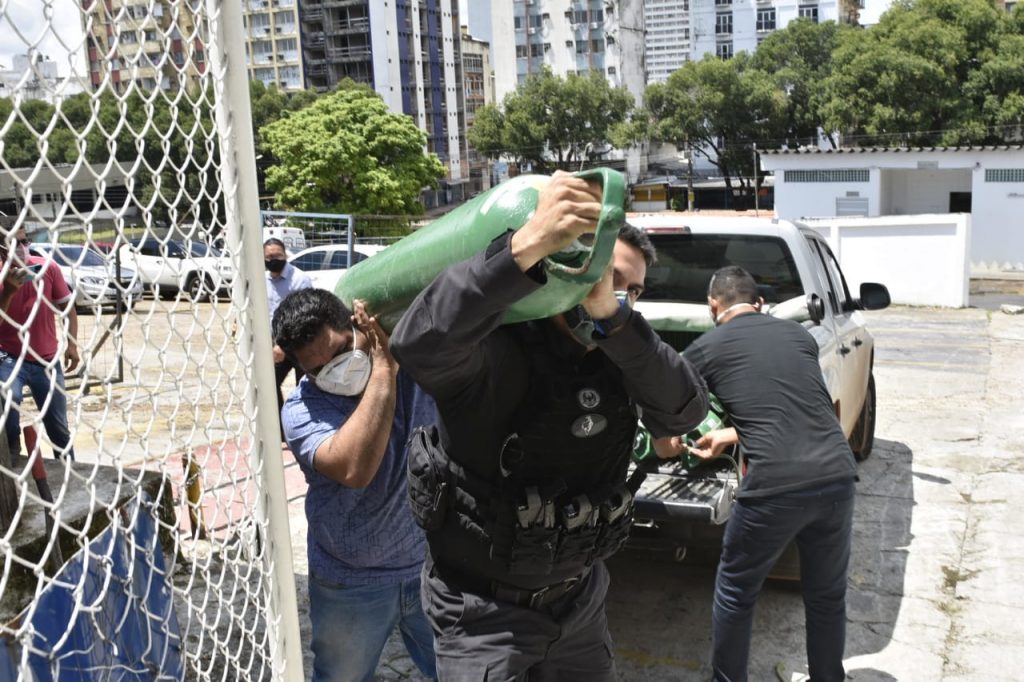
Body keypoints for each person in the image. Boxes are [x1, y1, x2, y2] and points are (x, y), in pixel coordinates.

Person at [390, 171, 709, 680]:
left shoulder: (622, 352)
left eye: (635, 290)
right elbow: (418, 345)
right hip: (483, 617)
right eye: (611, 277)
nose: (621, 296)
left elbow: (685, 409)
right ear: (569, 266)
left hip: (579, 605)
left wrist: (612, 317)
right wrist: (525, 247)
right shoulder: (497, 349)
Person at [659, 265, 857, 682]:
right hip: (836, 476)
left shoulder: (706, 347)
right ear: (761, 303)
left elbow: (665, 402)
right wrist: (729, 437)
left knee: (736, 592)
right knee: (826, 595)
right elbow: (793, 407)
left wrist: (669, 441)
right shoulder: (799, 337)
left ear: (713, 306)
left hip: (774, 487)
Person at [272, 288, 437, 682]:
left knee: (460, 671)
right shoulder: (303, 410)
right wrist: (383, 369)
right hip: (351, 582)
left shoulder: (413, 368)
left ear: (357, 324)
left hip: (429, 566)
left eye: (343, 350)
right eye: (318, 368)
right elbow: (354, 468)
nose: (338, 369)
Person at [0, 225, 79, 466]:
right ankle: (15, 462)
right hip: (9, 356)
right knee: (9, 409)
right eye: (16, 244)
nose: (23, 249)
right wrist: (9, 292)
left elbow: (68, 308)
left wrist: (72, 344)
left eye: (26, 242)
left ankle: (68, 469)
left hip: (46, 358)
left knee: (58, 427)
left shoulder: (47, 267)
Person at [264, 237, 312, 438]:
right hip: (275, 343)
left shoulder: (299, 279)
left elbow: (303, 316)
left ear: (286, 255)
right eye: (269, 256)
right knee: (269, 384)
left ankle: (306, 429)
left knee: (306, 387)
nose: (273, 259)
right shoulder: (261, 280)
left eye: (278, 256)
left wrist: (283, 344)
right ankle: (281, 430)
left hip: (299, 342)